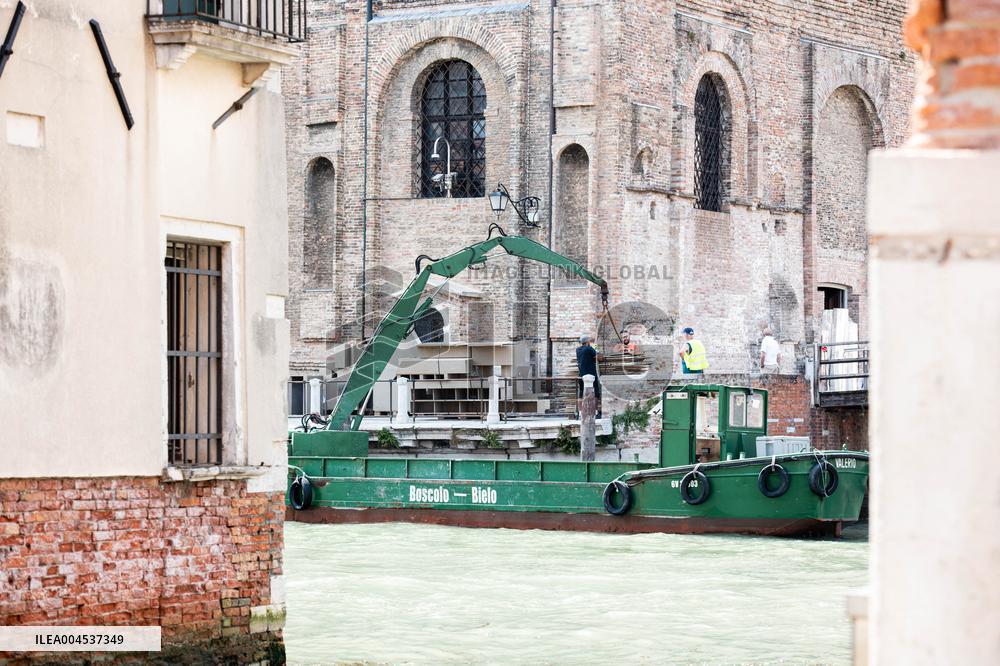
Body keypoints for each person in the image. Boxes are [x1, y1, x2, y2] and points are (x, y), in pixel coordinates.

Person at [576, 335, 603, 417]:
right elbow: (599, 357)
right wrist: (595, 345)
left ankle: (580, 413)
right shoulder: (589, 348)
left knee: (581, 393)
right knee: (595, 393)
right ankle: (595, 412)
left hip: (581, 374)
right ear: (587, 342)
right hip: (591, 374)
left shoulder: (578, 349)